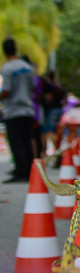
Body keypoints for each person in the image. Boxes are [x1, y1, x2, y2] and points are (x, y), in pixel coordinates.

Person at [1, 38, 36, 183]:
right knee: (27, 141)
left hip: (13, 110)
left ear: (4, 51)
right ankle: (30, 171)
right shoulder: (27, 67)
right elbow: (33, 88)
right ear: (16, 48)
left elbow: (7, 90)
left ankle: (21, 172)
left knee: (16, 143)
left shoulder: (7, 68)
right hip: (27, 109)